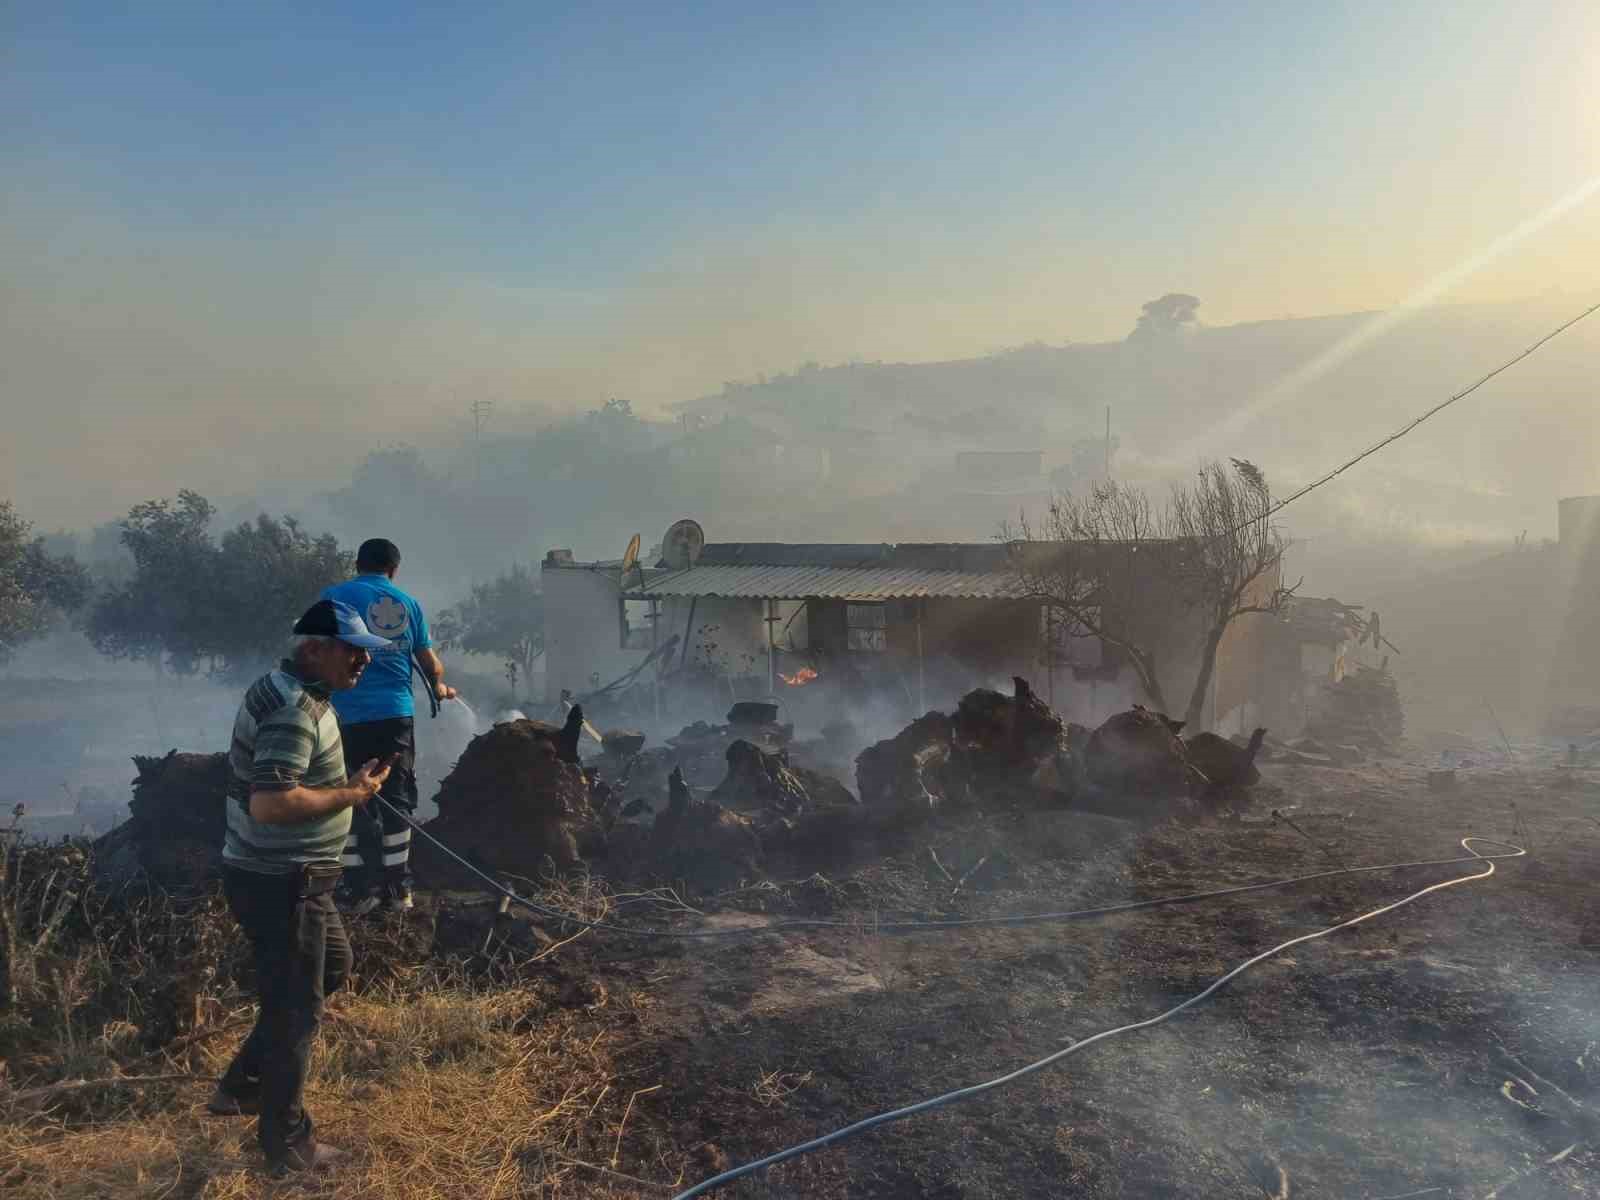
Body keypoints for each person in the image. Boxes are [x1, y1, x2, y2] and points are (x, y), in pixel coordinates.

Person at [211, 599, 394, 1174]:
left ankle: (242, 1085)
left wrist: (344, 785)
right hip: (284, 879)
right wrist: (350, 796)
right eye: (353, 649)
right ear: (315, 648)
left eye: (367, 650)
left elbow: (282, 782)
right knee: (297, 1010)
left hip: (282, 875)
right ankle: (289, 1147)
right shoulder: (295, 709)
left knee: (330, 967)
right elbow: (271, 803)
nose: (363, 660)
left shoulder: (283, 688)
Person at [321, 538, 456, 913]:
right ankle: (398, 891)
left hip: (344, 714)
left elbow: (316, 649)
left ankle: (358, 889)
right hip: (394, 714)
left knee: (345, 792)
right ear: (393, 570)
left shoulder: (335, 595)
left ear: (357, 565)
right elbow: (430, 663)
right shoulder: (407, 604)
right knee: (396, 797)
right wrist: (440, 688)